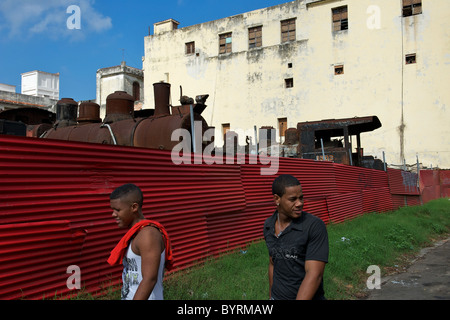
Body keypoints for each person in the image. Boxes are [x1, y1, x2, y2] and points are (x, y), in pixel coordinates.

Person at [263, 174, 329, 300]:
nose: (299, 203)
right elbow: (273, 263)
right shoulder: (269, 226)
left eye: (301, 198)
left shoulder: (313, 226)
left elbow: (314, 275)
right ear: (277, 199)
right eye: (293, 199)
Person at [107, 183, 173, 300]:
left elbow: (149, 279)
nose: (113, 214)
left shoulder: (148, 234)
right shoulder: (136, 234)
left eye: (117, 210)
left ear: (134, 207)